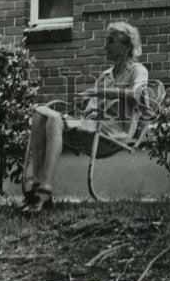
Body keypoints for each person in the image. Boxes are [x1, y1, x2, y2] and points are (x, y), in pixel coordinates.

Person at [22, 20, 149, 213]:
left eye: (110, 41)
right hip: (94, 125)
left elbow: (137, 95)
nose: (104, 46)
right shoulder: (105, 76)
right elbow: (90, 110)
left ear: (125, 46)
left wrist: (101, 94)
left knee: (55, 119)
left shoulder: (138, 71)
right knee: (40, 111)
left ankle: (45, 193)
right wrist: (83, 106)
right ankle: (36, 187)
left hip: (115, 131)